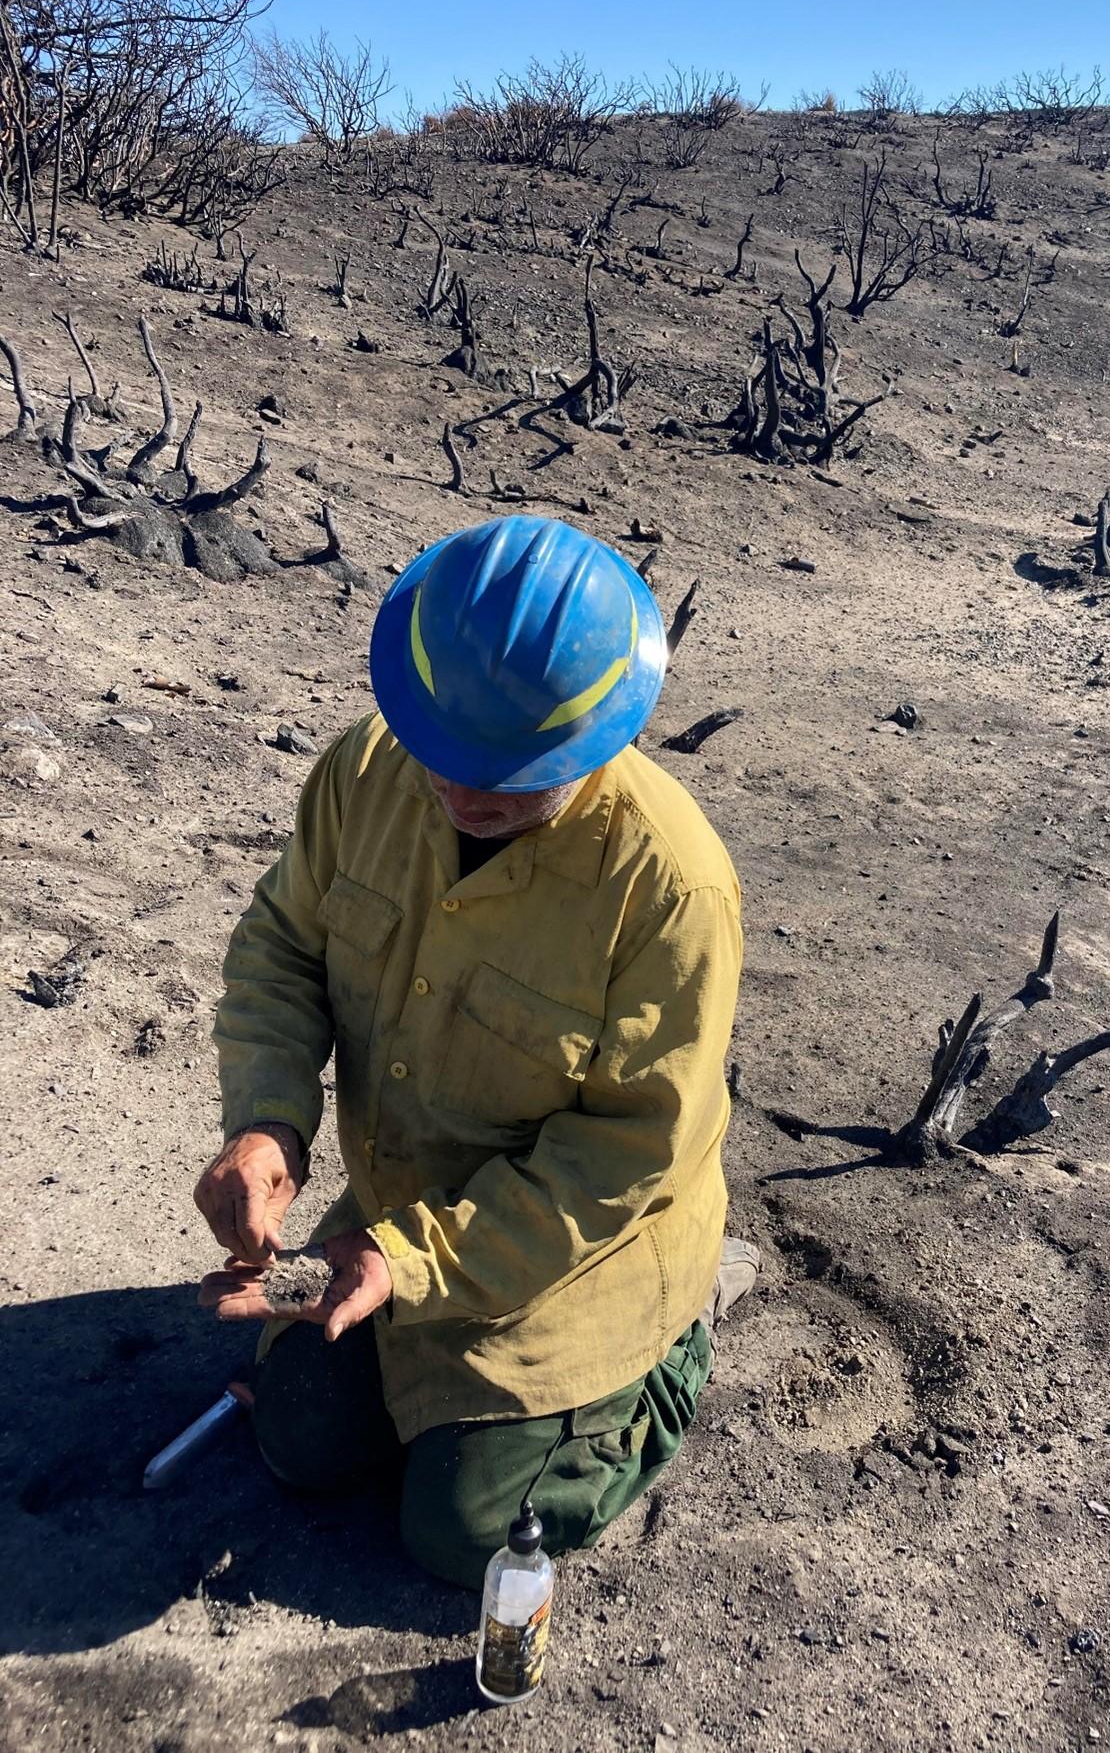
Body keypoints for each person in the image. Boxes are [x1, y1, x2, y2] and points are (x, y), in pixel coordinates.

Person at [193, 515, 754, 1587]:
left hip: (579, 1249)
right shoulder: (366, 766)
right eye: (442, 756)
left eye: (510, 771)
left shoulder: (670, 888)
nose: (463, 794)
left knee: (462, 1532)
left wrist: (410, 1261)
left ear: (603, 733)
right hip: (403, 1205)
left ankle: (669, 1353)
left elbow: (623, 1160)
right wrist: (268, 1119)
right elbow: (281, 945)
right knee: (300, 1441)